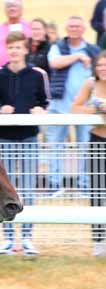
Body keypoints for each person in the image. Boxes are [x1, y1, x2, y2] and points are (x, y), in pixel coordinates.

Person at [0, 31, 49, 256]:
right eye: (11, 47)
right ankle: (6, 238)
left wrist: (40, 110)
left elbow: (46, 101)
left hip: (29, 139)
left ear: (26, 49)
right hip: (3, 139)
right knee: (2, 190)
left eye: (18, 47)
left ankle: (26, 238)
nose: (14, 51)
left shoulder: (37, 74)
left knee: (27, 189)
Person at [46, 16, 99, 195]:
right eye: (71, 26)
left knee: (85, 146)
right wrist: (77, 56)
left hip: (86, 108)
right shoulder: (57, 47)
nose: (74, 29)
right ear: (66, 29)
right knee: (55, 145)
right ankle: (54, 185)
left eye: (77, 26)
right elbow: (54, 62)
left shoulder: (93, 50)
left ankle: (85, 185)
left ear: (84, 29)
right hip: (59, 105)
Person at [71, 50, 106, 257]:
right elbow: (74, 107)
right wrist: (97, 111)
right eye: (100, 65)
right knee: (97, 192)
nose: (103, 69)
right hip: (97, 141)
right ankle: (99, 241)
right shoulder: (90, 84)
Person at [0, 0, 31, 78]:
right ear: (5, 10)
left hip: (24, 76)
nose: (12, 8)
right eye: (9, 6)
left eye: (15, 6)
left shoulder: (29, 28)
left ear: (21, 9)